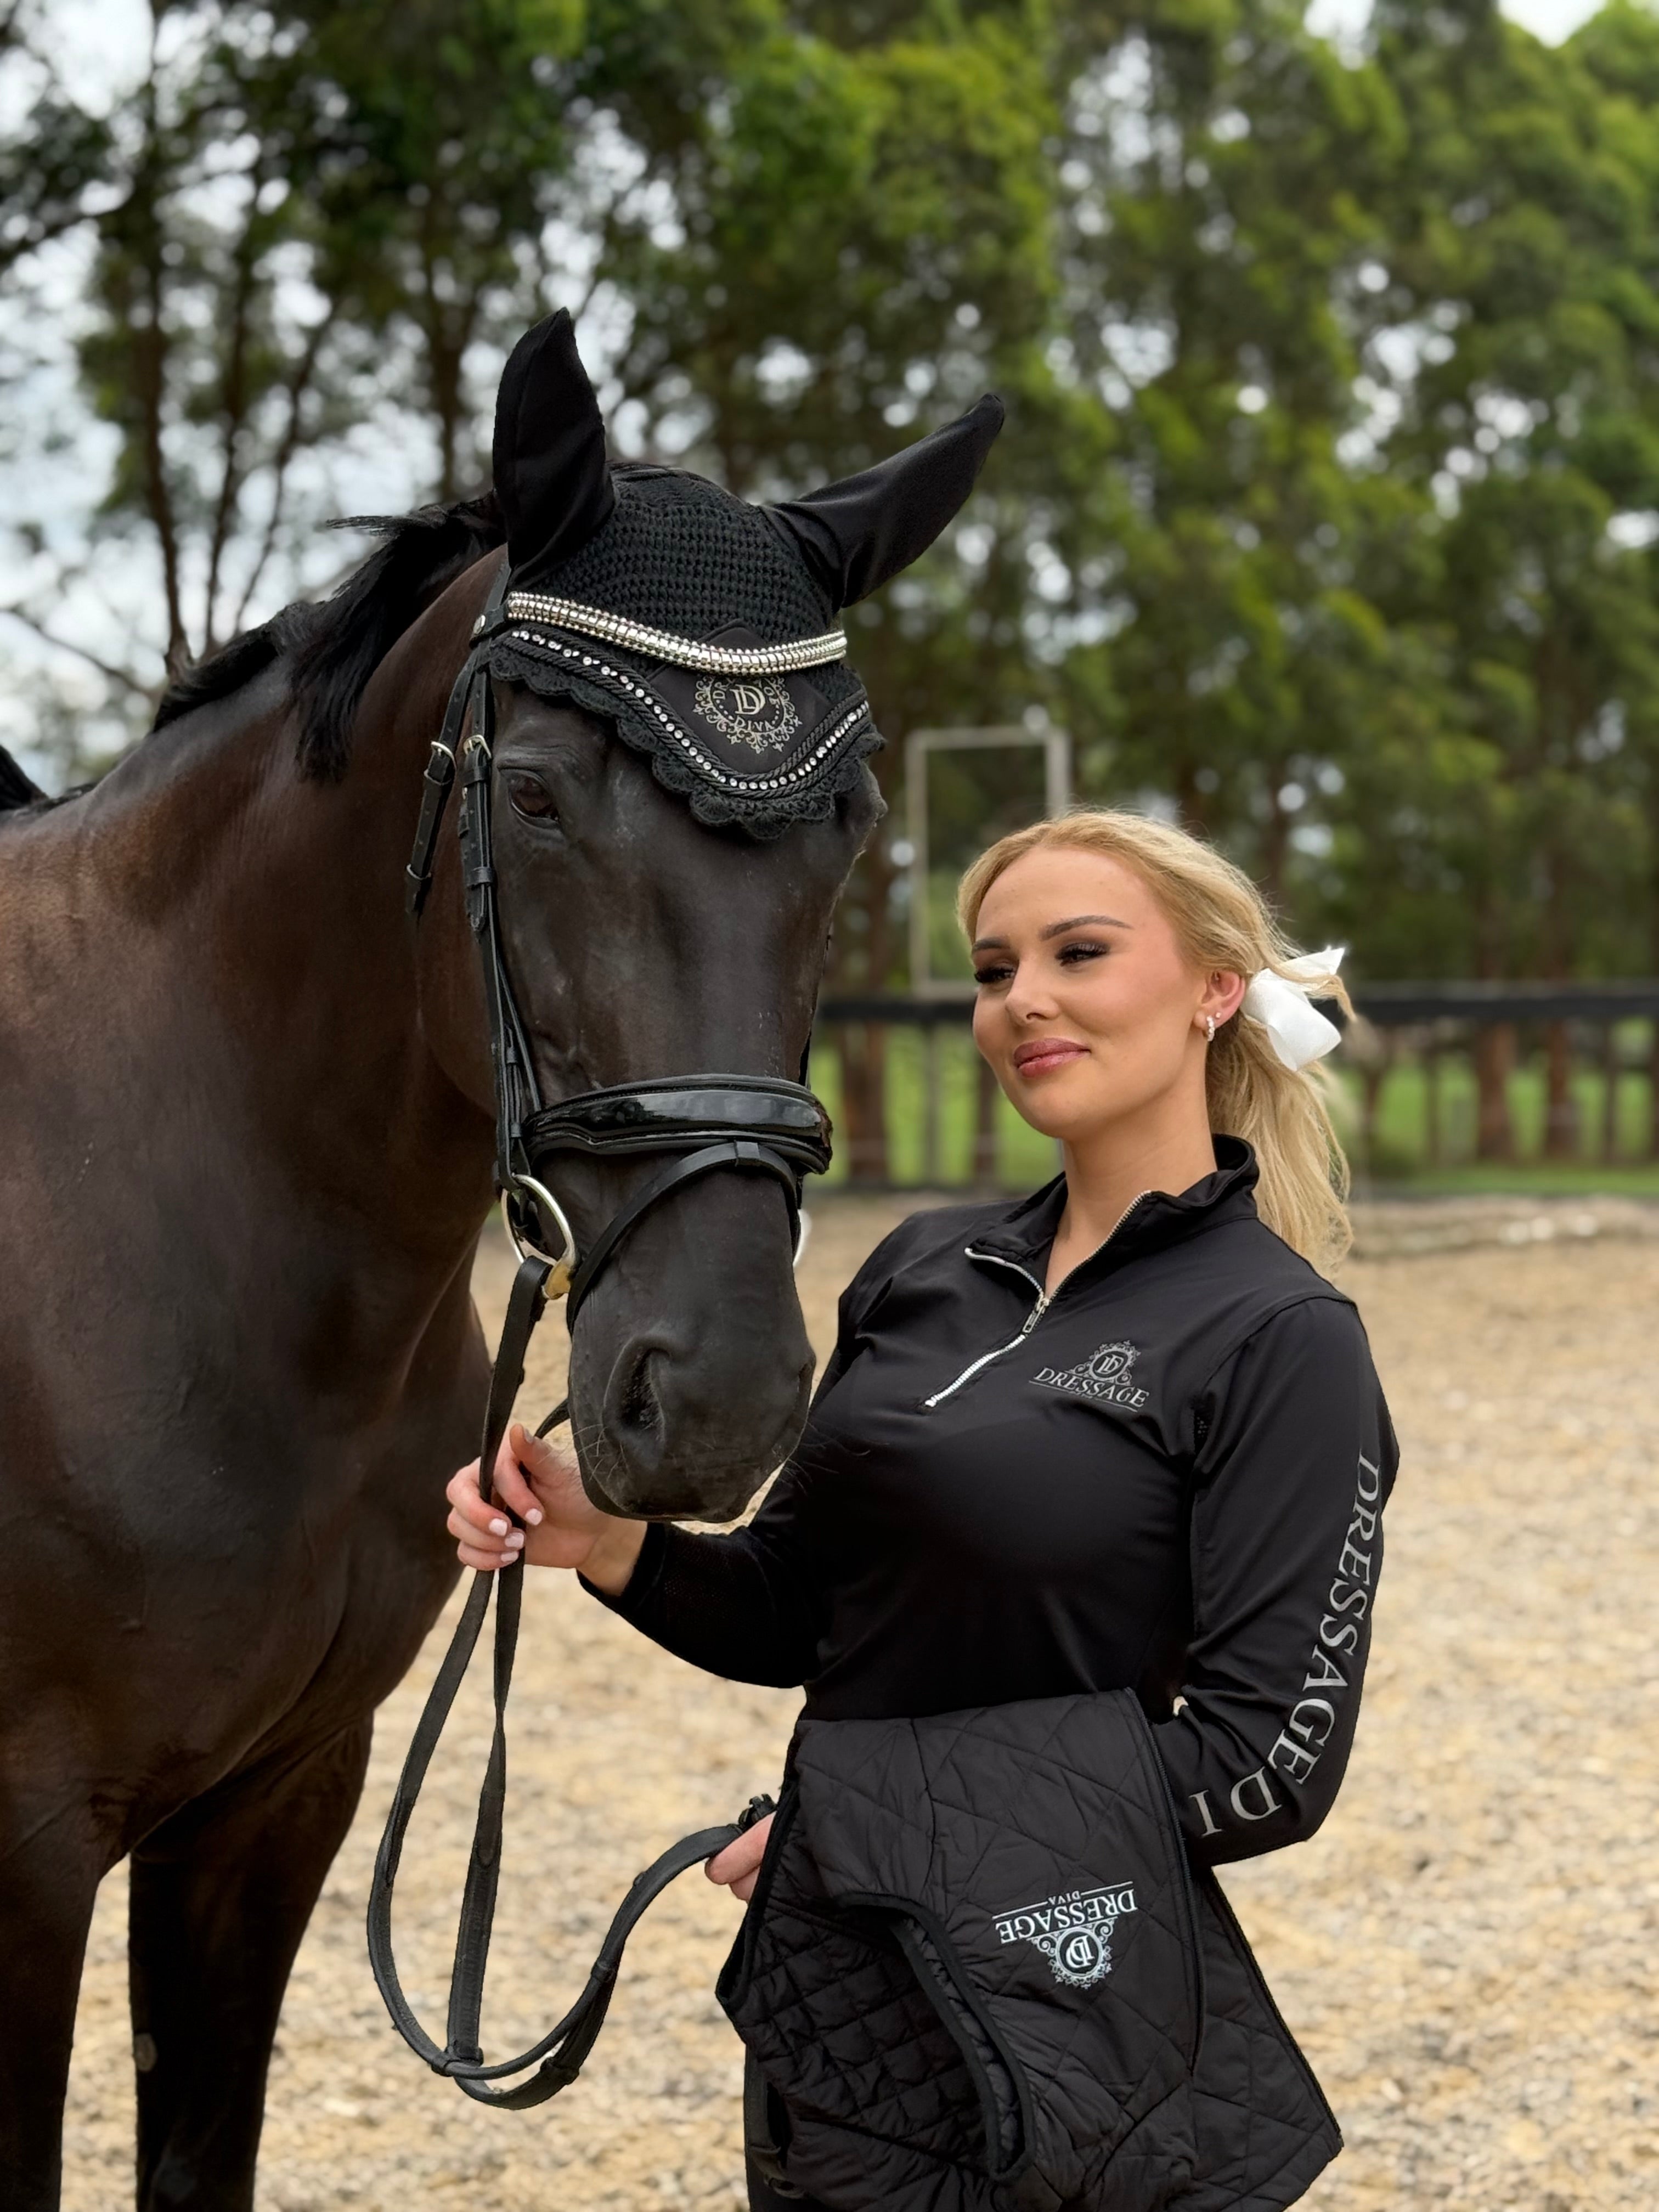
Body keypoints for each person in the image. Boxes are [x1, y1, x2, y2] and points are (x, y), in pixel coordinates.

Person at [445, 808, 1398, 2211]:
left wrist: (869, 1824)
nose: (1026, 1001)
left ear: (1213, 989)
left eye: (1079, 952)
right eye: (993, 968)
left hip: (1072, 1993)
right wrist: (612, 1543)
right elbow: (804, 1615)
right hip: (834, 1976)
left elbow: (1266, 1767)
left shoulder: (1282, 1338)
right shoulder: (920, 1271)